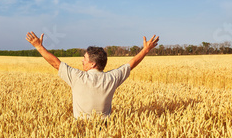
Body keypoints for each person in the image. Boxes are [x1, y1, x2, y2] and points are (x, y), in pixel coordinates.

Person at [25, 32, 159, 119]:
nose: (82, 61)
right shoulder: (112, 78)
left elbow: (55, 63)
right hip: (105, 129)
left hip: (80, 129)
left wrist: (38, 46)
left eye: (85, 58)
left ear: (93, 64)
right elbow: (132, 63)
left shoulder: (77, 77)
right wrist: (146, 50)